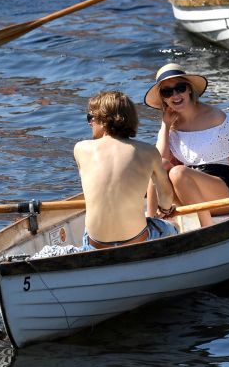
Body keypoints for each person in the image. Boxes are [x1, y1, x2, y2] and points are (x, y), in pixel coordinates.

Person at [143, 64, 229, 228]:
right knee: (159, 165)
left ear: (189, 89)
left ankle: (206, 227)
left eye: (179, 88)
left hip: (224, 192)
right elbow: (160, 161)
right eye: (167, 92)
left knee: (178, 172)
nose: (175, 95)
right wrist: (165, 125)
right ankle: (150, 223)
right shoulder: (171, 126)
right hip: (187, 190)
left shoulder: (217, 117)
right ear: (163, 98)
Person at [74, 91, 179, 250]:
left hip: (96, 245)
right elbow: (166, 198)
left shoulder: (80, 149)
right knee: (173, 228)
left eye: (91, 117)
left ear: (104, 120)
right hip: (136, 240)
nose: (90, 123)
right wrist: (165, 210)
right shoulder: (148, 152)